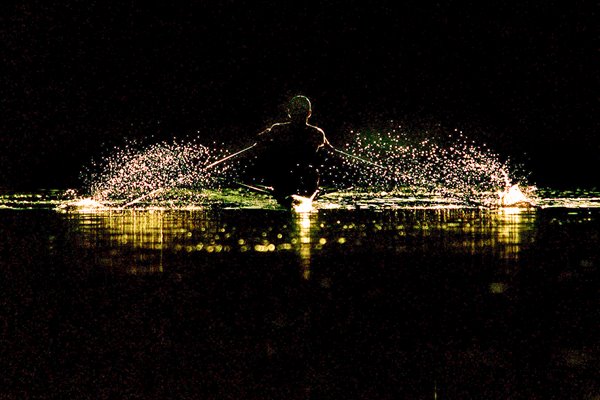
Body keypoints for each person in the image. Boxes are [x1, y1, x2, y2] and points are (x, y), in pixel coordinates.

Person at [245, 95, 331, 205]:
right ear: (309, 113)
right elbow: (331, 151)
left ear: (289, 112)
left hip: (287, 179)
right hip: (302, 179)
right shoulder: (317, 133)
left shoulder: (278, 130)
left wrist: (266, 136)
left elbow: (257, 139)